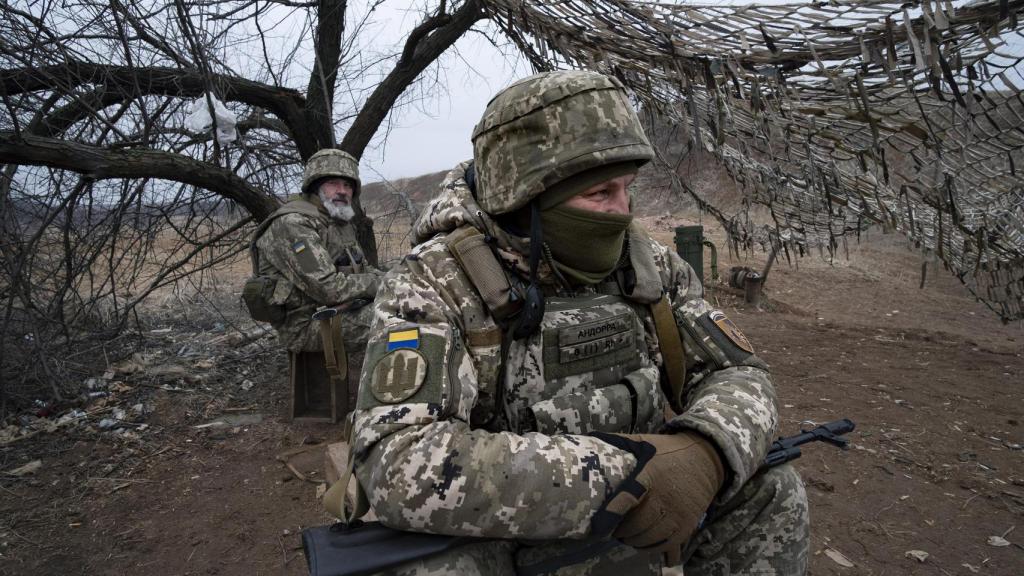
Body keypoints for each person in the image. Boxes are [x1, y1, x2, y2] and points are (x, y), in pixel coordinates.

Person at [347, 71, 808, 574]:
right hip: (515, 528)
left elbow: (740, 372)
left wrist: (708, 449)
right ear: (526, 196)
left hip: (650, 508)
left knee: (773, 490)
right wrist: (628, 475)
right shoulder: (434, 281)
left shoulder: (647, 264)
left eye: (628, 189)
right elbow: (398, 462)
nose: (622, 212)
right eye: (600, 194)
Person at [245, 149, 382, 420]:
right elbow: (328, 288)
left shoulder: (339, 220)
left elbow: (363, 272)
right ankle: (387, 406)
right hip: (306, 324)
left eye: (347, 185)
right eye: (333, 184)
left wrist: (400, 274)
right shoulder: (293, 223)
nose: (341, 191)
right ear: (315, 186)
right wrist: (383, 283)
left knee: (410, 300)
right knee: (395, 320)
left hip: (337, 312)